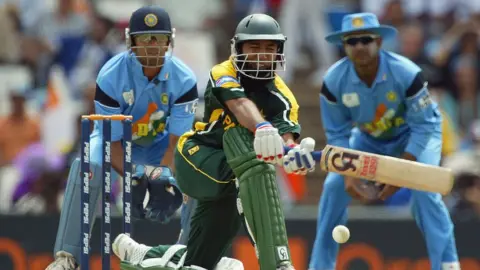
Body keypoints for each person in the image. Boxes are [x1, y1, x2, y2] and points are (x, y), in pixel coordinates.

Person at [110, 13, 311, 270]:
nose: (262, 55)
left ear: (279, 52)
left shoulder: (284, 97)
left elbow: (286, 136)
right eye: (254, 47)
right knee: (246, 146)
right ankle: (278, 262)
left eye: (269, 48)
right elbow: (239, 105)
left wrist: (293, 153)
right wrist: (262, 126)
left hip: (231, 183)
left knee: (198, 264)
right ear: (238, 49)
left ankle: (148, 256)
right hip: (198, 159)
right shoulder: (223, 71)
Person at [286, 13, 460, 270]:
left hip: (416, 136)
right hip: (369, 138)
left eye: (365, 40)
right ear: (344, 46)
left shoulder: (406, 72)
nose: (359, 46)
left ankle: (446, 263)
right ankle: (320, 266)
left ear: (378, 42)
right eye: (352, 41)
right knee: (333, 185)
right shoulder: (334, 81)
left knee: (425, 191)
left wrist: (399, 173)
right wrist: (348, 176)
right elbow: (337, 135)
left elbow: (424, 125)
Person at [46, 6, 199, 269]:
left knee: (198, 167)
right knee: (87, 166)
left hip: (160, 146)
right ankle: (67, 257)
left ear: (169, 42)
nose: (152, 47)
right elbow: (111, 142)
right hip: (116, 144)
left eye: (159, 39)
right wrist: (135, 175)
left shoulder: (184, 79)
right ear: (131, 42)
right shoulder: (111, 75)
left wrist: (158, 175)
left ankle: (190, 255)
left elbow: (177, 143)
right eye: (145, 39)